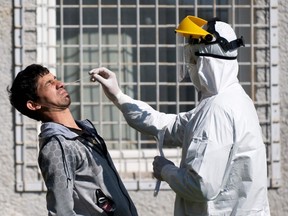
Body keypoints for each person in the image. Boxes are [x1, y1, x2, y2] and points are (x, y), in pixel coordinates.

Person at [89, 16, 270, 215]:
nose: (190, 64)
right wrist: (119, 97)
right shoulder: (232, 100)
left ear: (204, 60)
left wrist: (166, 170)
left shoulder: (218, 110)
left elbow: (201, 186)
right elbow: (167, 125)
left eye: (193, 58)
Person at [8, 64, 138, 216]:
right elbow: (60, 211)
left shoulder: (86, 131)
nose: (60, 84)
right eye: (49, 83)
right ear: (34, 105)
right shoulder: (56, 145)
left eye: (55, 79)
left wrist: (118, 95)